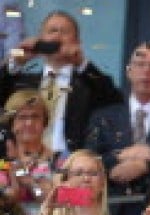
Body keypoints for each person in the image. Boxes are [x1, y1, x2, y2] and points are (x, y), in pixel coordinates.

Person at [85, 43, 150, 215]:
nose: (146, 71)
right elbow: (87, 160)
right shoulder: (102, 116)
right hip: (109, 211)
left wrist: (146, 165)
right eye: (140, 64)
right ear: (129, 71)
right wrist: (119, 156)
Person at [0, 10, 122, 154]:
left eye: (64, 32)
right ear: (41, 39)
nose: (57, 36)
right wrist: (15, 61)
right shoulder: (22, 83)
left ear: (77, 42)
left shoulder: (88, 85)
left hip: (72, 161)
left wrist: (81, 63)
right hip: (25, 159)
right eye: (52, 31)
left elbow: (114, 100)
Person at [0, 90, 59, 215]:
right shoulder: (2, 163)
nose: (29, 123)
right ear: (11, 123)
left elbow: (75, 198)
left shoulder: (61, 160)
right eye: (22, 117)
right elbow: (7, 197)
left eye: (35, 117)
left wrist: (29, 181)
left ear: (45, 123)